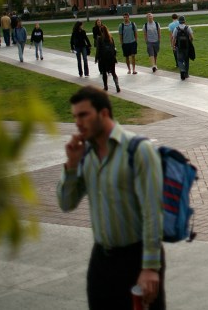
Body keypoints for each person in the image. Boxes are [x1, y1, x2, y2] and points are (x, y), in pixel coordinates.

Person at [56, 87, 165, 310]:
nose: (77, 122)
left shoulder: (139, 150)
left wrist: (151, 267)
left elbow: (153, 211)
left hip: (137, 258)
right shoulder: (85, 154)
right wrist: (71, 165)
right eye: (75, 116)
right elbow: (66, 203)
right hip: (102, 260)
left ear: (104, 114)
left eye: (83, 115)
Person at [96, 24, 121, 92]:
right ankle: (117, 85)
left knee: (104, 73)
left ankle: (105, 86)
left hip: (103, 58)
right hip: (111, 57)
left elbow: (98, 49)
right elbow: (114, 48)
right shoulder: (110, 38)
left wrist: (97, 58)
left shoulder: (99, 38)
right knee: (113, 72)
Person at [172, 16, 194, 81]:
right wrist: (190, 43)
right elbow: (192, 37)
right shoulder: (188, 28)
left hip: (179, 47)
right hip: (187, 47)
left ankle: (182, 70)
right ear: (184, 21)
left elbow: (174, 38)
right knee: (186, 60)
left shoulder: (176, 28)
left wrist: (173, 46)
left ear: (179, 21)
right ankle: (186, 74)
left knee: (179, 60)